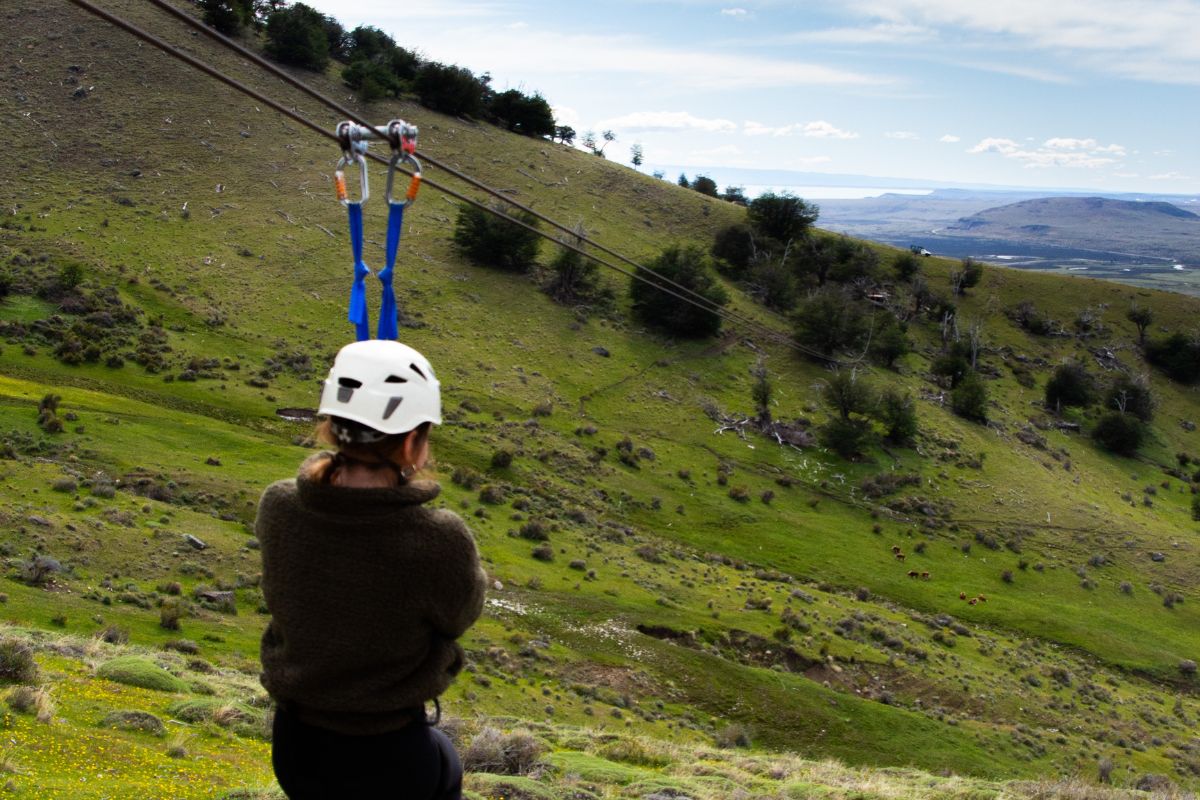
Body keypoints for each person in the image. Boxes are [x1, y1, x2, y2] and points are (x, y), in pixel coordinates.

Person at [256, 339, 488, 799]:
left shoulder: (279, 505)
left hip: (297, 744)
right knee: (447, 767)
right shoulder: (438, 536)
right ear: (411, 441)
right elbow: (459, 616)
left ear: (331, 426)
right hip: (389, 754)